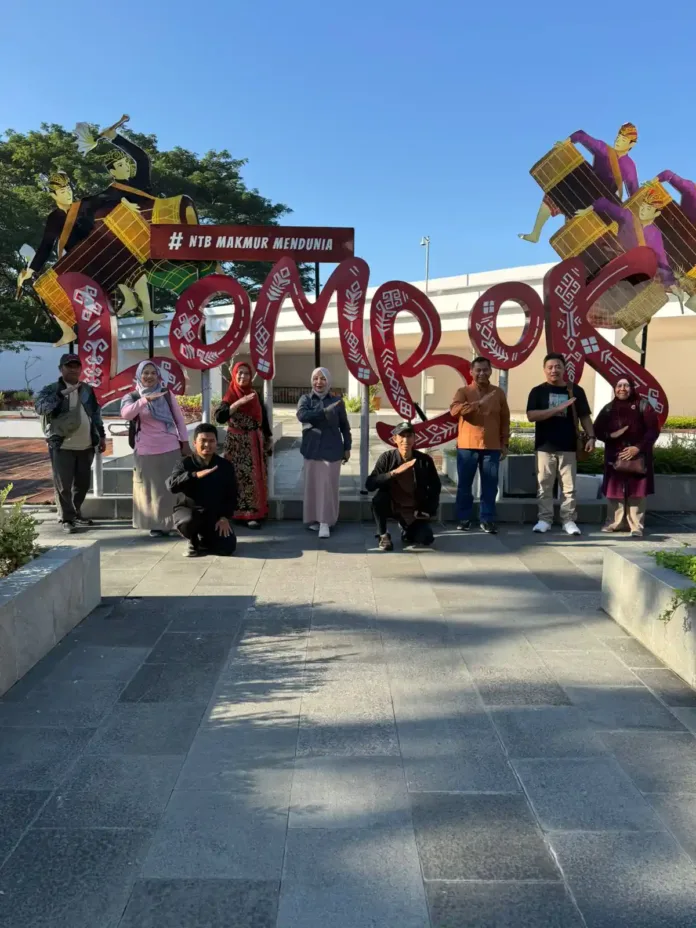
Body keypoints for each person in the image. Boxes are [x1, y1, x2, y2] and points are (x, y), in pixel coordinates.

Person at [519, 123, 639, 244]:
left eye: (623, 140)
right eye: (618, 137)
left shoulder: (629, 167)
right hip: (584, 185)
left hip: (601, 199)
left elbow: (634, 192)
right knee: (553, 195)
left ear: (632, 144)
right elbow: (581, 135)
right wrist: (567, 142)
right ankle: (535, 234)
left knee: (583, 229)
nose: (618, 141)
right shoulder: (603, 148)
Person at [34, 354, 106, 534]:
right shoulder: (52, 389)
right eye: (69, 366)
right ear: (61, 369)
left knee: (82, 484)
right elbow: (40, 408)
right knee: (63, 484)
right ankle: (66, 518)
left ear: (81, 369)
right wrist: (61, 395)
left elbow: (95, 413)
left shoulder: (86, 389)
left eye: (76, 366)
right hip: (62, 445)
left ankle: (75, 512)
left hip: (86, 445)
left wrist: (102, 436)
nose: (73, 369)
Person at [526, 353, 595, 536]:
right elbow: (531, 415)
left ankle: (568, 520)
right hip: (544, 446)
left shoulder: (575, 390)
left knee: (569, 487)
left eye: (558, 366)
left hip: (569, 446)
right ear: (544, 370)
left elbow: (585, 416)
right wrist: (557, 408)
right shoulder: (537, 391)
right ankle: (544, 519)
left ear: (564, 369)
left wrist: (591, 437)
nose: (554, 370)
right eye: (550, 367)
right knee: (544, 485)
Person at [120, 361, 189, 537]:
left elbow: (179, 420)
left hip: (170, 446)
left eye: (153, 373)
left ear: (158, 375)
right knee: (151, 491)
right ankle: (156, 525)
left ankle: (174, 524)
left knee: (172, 489)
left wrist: (185, 443)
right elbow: (126, 414)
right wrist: (145, 400)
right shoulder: (132, 396)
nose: (149, 376)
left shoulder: (166, 394)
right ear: (139, 376)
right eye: (145, 373)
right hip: (146, 450)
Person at [449, 357, 510, 533]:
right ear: (471, 372)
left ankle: (487, 519)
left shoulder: (498, 393)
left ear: (490, 371)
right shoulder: (463, 391)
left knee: (490, 486)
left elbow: (505, 419)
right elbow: (454, 411)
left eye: (485, 369)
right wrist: (477, 404)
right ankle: (464, 518)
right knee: (464, 485)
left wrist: (505, 443)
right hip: (467, 446)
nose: (482, 373)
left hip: (492, 446)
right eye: (478, 370)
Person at [593, 378, 660, 537]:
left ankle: (636, 526)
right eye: (619, 385)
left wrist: (638, 448)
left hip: (638, 455)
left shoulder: (643, 405)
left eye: (626, 385)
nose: (622, 389)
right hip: (615, 455)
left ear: (632, 388)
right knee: (614, 489)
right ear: (615, 388)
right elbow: (597, 429)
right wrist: (610, 435)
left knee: (637, 490)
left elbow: (653, 430)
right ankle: (614, 523)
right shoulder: (609, 408)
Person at [365, 421, 441, 551]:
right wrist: (392, 473)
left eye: (409, 436)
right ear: (395, 439)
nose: (405, 440)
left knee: (426, 538)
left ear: (414, 438)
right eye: (402, 436)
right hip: (392, 505)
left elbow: (435, 487)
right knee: (378, 500)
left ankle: (407, 530)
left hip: (413, 509)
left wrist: (427, 509)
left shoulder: (424, 460)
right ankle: (383, 535)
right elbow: (370, 484)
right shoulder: (387, 458)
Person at [166, 423, 238, 558]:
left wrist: (224, 517)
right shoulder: (184, 463)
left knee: (227, 548)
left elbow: (232, 494)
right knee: (189, 520)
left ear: (216, 442)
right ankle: (192, 539)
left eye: (211, 441)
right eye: (203, 441)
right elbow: (171, 485)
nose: (207, 445)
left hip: (213, 515)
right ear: (195, 443)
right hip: (188, 512)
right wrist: (194, 475)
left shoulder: (225, 466)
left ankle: (204, 540)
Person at [215, 361, 272, 529]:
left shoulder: (254, 394)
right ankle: (240, 513)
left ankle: (256, 513)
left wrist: (268, 438)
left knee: (256, 477)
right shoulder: (230, 395)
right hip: (237, 444)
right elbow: (220, 417)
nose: (243, 376)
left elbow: (263, 418)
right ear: (234, 375)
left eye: (246, 373)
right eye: (239, 373)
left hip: (255, 442)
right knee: (239, 478)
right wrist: (238, 403)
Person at [296, 367, 351, 539]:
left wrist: (347, 447)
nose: (318, 382)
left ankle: (326, 522)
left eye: (323, 378)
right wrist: (324, 412)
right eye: (315, 378)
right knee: (312, 486)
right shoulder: (305, 399)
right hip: (311, 449)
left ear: (328, 381)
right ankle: (314, 519)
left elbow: (344, 426)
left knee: (328, 487)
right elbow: (302, 416)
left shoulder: (337, 401)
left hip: (332, 449)